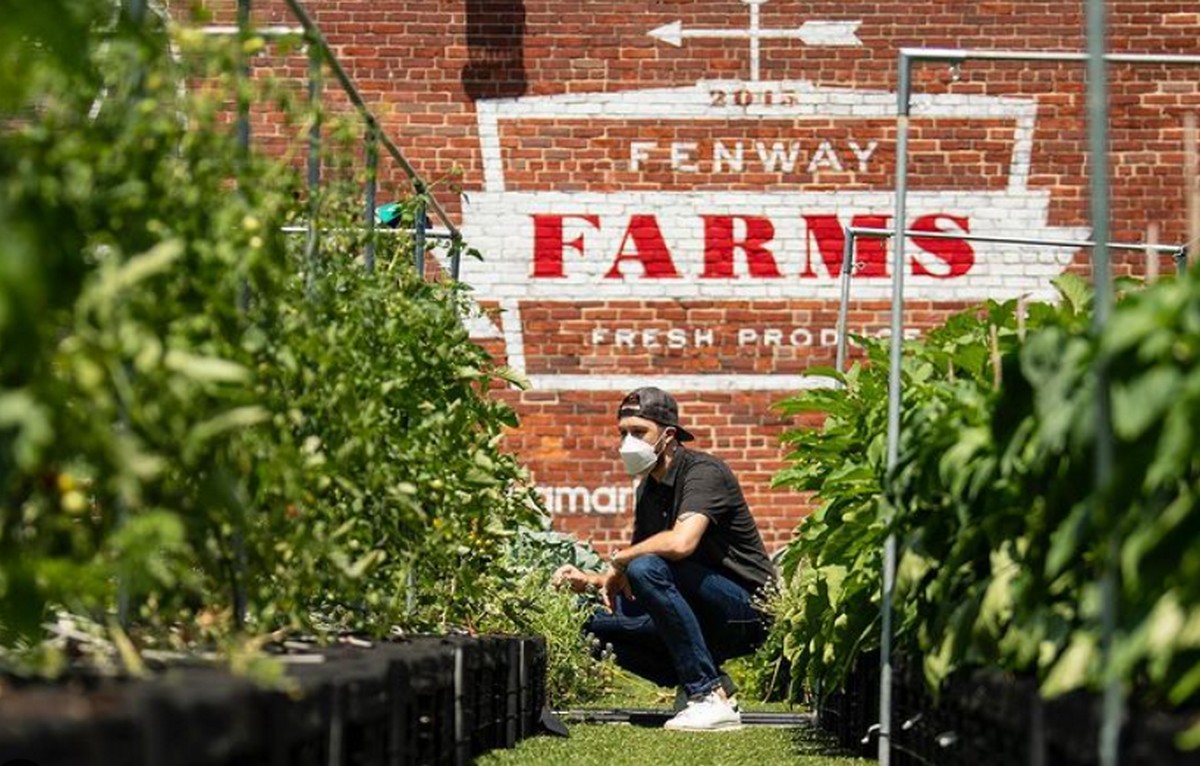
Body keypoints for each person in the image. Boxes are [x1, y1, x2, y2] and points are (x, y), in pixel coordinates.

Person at [552, 386, 776, 732]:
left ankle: (707, 697)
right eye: (623, 433)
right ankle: (709, 680)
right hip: (693, 607)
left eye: (639, 432)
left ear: (668, 435)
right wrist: (591, 580)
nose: (628, 442)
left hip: (745, 610)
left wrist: (621, 559)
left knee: (645, 565)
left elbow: (680, 543)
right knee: (591, 626)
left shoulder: (704, 472)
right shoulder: (648, 489)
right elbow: (635, 575)